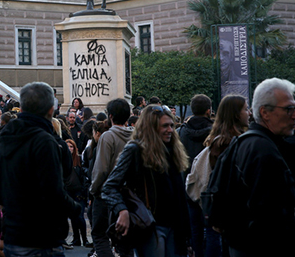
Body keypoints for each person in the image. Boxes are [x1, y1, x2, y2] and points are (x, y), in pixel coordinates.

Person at [0, 82, 81, 257]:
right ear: (51, 109)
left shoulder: (5, 137)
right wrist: (76, 208)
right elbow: (53, 192)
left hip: (13, 233)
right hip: (41, 236)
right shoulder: (44, 141)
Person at [218, 78, 295, 256]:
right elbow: (268, 216)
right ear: (265, 112)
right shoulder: (262, 150)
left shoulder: (247, 142)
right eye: (288, 109)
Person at [102, 105, 190, 257]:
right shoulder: (135, 150)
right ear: (151, 128)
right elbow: (109, 187)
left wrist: (187, 235)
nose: (170, 130)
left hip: (175, 226)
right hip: (152, 226)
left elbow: (179, 194)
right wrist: (122, 210)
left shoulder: (172, 150)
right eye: (165, 126)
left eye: (171, 125)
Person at [199, 95, 249, 257]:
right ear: (235, 114)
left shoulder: (223, 140)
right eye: (245, 109)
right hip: (232, 212)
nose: (248, 113)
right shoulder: (226, 143)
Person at [89, 98, 134, 257]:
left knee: (100, 235)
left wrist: (94, 189)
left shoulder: (108, 137)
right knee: (125, 238)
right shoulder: (135, 136)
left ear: (111, 116)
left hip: (106, 194)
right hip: (129, 194)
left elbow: (101, 169)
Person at [177, 94, 213, 257]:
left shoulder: (180, 133)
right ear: (208, 110)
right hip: (210, 187)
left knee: (194, 230)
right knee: (212, 232)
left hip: (187, 185)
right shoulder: (215, 132)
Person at [64, 139, 90, 248]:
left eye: (71, 146)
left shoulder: (78, 160)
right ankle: (76, 239)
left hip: (79, 191)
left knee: (80, 216)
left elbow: (83, 176)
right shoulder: (63, 160)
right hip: (68, 191)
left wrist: (84, 191)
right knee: (73, 216)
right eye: (68, 146)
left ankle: (85, 239)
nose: (70, 148)